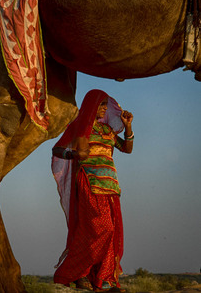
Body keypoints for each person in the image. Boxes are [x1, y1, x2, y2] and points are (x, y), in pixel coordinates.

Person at [51, 89, 134, 292]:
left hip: (111, 186)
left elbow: (127, 148)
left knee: (110, 231)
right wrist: (74, 154)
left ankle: (103, 279)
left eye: (106, 105)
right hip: (90, 182)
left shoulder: (107, 131)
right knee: (99, 229)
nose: (105, 108)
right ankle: (75, 272)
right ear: (91, 106)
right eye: (102, 104)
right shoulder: (79, 128)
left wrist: (128, 127)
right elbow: (57, 149)